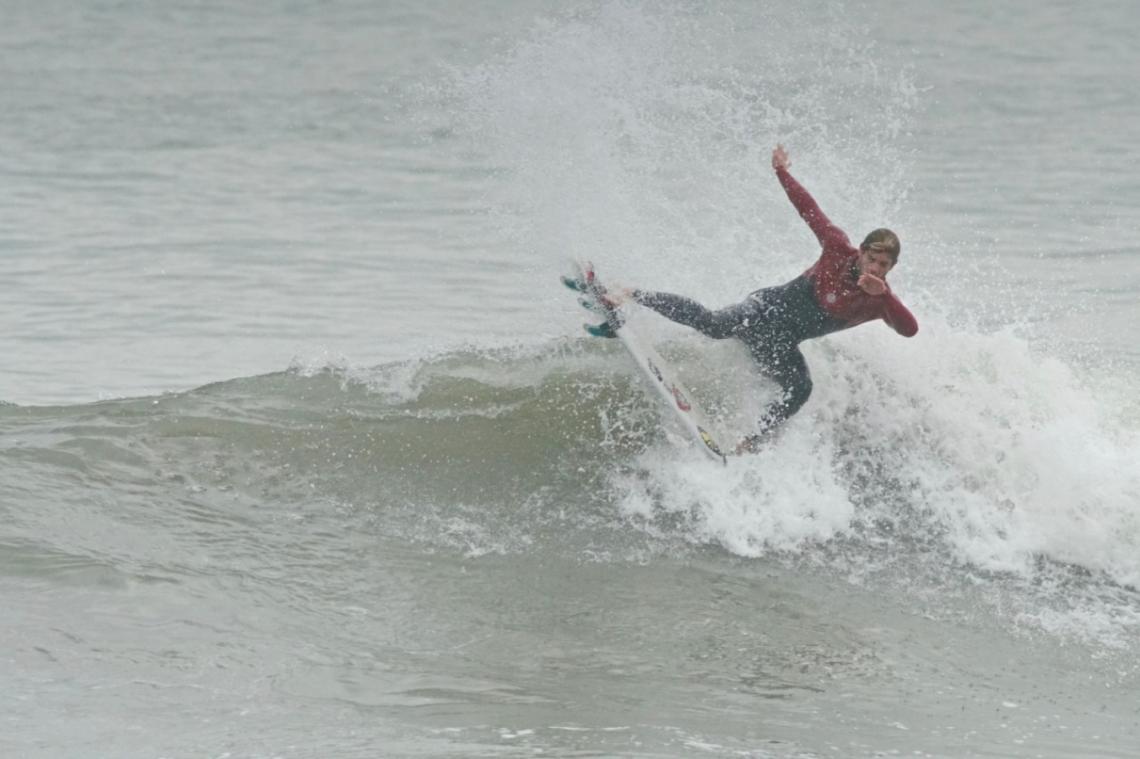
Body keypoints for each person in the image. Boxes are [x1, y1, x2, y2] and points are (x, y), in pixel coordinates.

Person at [608, 144, 918, 454]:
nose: (876, 269)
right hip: (763, 309)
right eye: (872, 260)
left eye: (884, 265)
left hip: (779, 344)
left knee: (801, 389)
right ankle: (631, 294)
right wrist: (782, 171)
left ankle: (749, 443)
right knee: (714, 324)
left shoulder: (880, 302)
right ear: (861, 252)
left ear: (892, 267)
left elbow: (909, 330)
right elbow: (809, 210)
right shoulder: (837, 248)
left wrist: (885, 295)